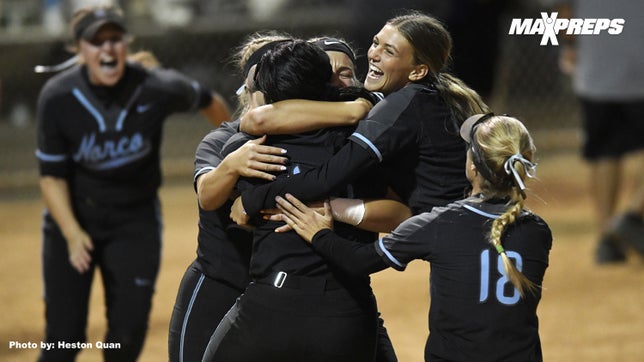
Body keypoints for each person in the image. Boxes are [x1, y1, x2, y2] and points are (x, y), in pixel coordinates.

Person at [34, 5, 230, 361]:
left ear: (126, 43)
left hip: (134, 221)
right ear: (78, 49)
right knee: (64, 337)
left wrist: (231, 149)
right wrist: (73, 232)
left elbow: (209, 101)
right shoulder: (59, 96)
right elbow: (51, 177)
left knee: (126, 335)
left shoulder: (155, 85)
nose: (107, 49)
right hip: (74, 218)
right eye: (96, 42)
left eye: (114, 39)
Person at [276, 114, 553, 362]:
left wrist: (319, 234)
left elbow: (360, 261)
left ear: (473, 168)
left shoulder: (440, 222)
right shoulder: (538, 231)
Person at [202, 39, 394, 362]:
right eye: (328, 74)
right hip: (346, 311)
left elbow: (398, 214)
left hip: (274, 305)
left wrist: (335, 209)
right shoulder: (366, 141)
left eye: (345, 73)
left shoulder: (251, 146)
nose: (336, 81)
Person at [234, 11, 489, 222]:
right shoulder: (420, 97)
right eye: (376, 42)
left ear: (417, 71)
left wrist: (253, 199)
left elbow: (328, 177)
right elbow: (256, 120)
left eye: (389, 51)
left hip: (463, 229)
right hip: (469, 220)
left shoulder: (402, 105)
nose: (374, 54)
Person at [167, 32, 292, 362]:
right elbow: (207, 194)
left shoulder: (314, 141)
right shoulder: (222, 140)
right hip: (220, 282)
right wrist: (233, 164)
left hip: (282, 292)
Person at [557, 0, 644, 263]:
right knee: (606, 146)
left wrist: (570, 45)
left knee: (606, 149)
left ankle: (607, 239)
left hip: (596, 66)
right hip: (638, 60)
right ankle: (631, 215)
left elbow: (564, 12)